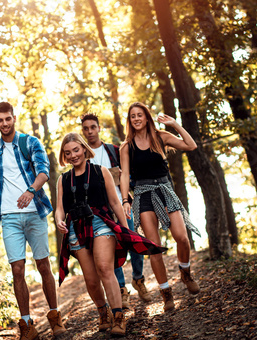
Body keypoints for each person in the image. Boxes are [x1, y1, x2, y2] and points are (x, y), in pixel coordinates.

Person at [55, 133, 166, 337]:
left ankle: (118, 316)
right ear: (64, 155)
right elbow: (60, 208)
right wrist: (58, 220)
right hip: (75, 228)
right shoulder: (63, 180)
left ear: (84, 148)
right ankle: (102, 312)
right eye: (67, 152)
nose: (73, 155)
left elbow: (115, 202)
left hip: (100, 223)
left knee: (105, 268)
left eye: (76, 150)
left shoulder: (101, 171)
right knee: (90, 279)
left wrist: (125, 230)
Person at [0, 102, 66, 340]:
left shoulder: (30, 142)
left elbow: (44, 170)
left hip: (34, 213)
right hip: (8, 217)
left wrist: (31, 190)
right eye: (0, 120)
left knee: (43, 265)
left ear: (14, 118)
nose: (4, 124)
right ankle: (27, 325)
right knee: (17, 270)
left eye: (8, 119)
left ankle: (54, 316)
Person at [119, 102, 202, 312]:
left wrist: (175, 124)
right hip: (143, 195)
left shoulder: (161, 136)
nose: (136, 119)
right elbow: (124, 176)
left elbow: (191, 145)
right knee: (153, 248)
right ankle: (166, 293)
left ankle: (186, 272)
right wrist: (125, 200)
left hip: (165, 191)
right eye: (132, 116)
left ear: (147, 117)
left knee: (182, 237)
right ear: (130, 121)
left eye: (140, 115)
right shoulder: (126, 146)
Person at [81, 113, 152, 308]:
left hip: (122, 205)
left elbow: (129, 176)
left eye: (93, 127)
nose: (90, 131)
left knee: (133, 242)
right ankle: (121, 289)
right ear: (83, 131)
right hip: (100, 212)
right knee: (111, 251)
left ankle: (138, 278)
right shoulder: (83, 157)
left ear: (99, 128)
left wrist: (126, 191)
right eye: (86, 128)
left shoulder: (113, 150)